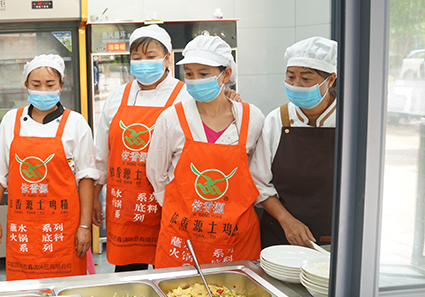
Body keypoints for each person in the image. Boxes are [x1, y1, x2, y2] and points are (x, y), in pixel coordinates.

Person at [146, 35, 265, 268]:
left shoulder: (252, 119)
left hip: (235, 236)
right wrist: (179, 209)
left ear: (226, 75)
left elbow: (258, 178)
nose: (194, 80)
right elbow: (156, 173)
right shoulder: (172, 118)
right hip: (183, 236)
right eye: (189, 74)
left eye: (203, 73)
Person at [0, 54, 98, 280]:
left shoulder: (75, 123)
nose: (43, 90)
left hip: (63, 226)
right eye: (36, 85)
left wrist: (85, 226)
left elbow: (86, 178)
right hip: (24, 225)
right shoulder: (11, 121)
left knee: (66, 291)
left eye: (50, 85)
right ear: (26, 85)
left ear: (61, 85)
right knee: (24, 291)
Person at [92, 25, 189, 272]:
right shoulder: (117, 96)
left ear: (168, 58)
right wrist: (95, 194)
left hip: (166, 202)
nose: (143, 63)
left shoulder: (185, 96)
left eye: (151, 56)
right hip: (126, 204)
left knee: (168, 270)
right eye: (137, 58)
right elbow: (102, 151)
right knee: (128, 275)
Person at [251, 37, 338, 248]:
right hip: (280, 236)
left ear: (331, 79)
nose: (296, 85)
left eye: (306, 79)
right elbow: (259, 183)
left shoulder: (352, 121)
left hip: (335, 236)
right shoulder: (276, 119)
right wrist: (287, 221)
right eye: (290, 77)